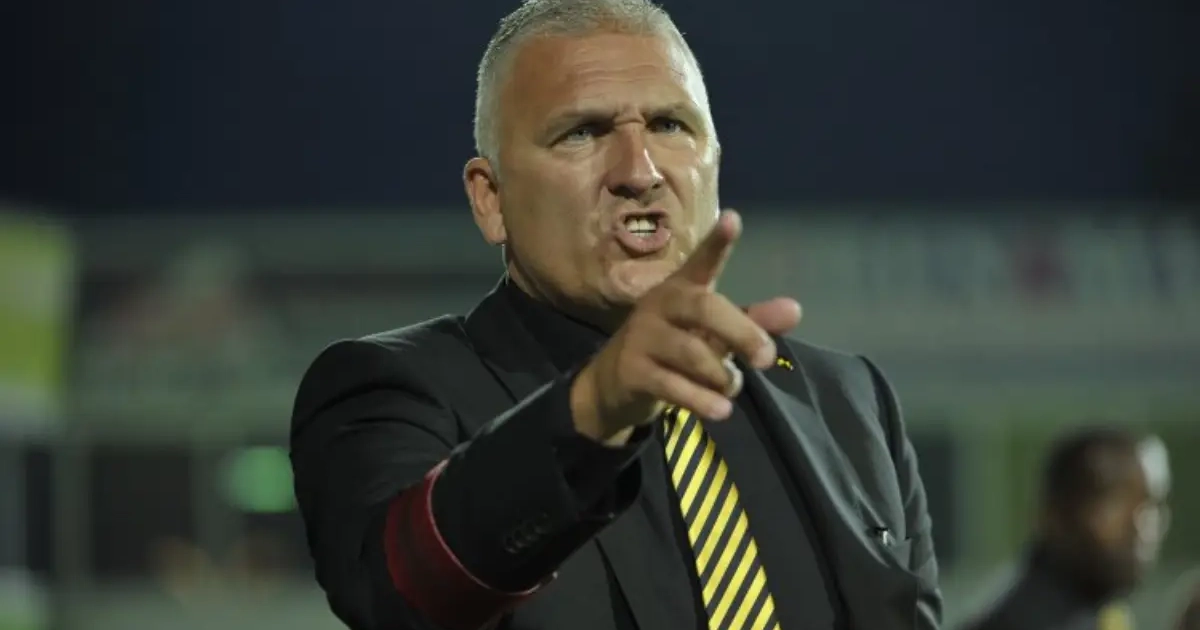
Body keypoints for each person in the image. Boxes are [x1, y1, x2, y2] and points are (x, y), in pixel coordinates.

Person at [289, 1, 941, 629]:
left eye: (670, 126)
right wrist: (594, 407)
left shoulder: (847, 400)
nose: (640, 171)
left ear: (715, 164)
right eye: (583, 132)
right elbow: (405, 595)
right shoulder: (394, 388)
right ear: (491, 199)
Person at [960, 428, 1171, 630]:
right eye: (1115, 503)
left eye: (1150, 504)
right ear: (1055, 514)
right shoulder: (1021, 623)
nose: (1138, 524)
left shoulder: (1100, 613)